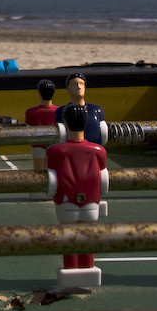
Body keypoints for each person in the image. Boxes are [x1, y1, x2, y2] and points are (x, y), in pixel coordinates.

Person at [45, 103, 108, 288]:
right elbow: (103, 178)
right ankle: (88, 268)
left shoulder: (55, 151)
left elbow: (52, 178)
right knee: (88, 236)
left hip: (66, 201)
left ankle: (71, 270)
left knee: (69, 236)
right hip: (91, 201)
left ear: (64, 123)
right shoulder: (99, 151)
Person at [55, 73, 108, 146]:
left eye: (81, 84)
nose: (78, 87)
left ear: (85, 87)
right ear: (68, 88)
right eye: (74, 84)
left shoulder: (96, 110)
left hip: (93, 149)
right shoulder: (61, 111)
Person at [25, 79, 59, 172]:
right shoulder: (59, 111)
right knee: (54, 171)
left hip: (37, 145)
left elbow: (28, 131)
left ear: (39, 93)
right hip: (55, 145)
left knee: (38, 172)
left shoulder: (31, 112)